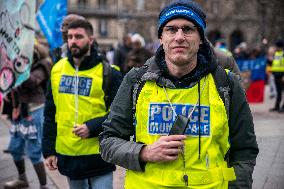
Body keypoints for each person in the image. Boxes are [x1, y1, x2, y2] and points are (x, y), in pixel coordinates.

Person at [99, 0, 259, 188]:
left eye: (188, 29)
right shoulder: (136, 80)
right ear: (161, 38)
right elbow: (107, 141)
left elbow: (245, 150)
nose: (179, 37)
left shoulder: (226, 84)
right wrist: (144, 152)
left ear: (201, 38)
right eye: (171, 29)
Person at [42, 19, 122, 189]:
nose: (73, 41)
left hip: (99, 154)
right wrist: (48, 150)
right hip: (69, 155)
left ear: (90, 40)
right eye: (70, 37)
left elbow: (120, 115)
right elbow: (50, 112)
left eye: (78, 36)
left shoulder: (109, 73)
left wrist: (92, 127)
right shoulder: (58, 69)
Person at [4, 42, 52, 189]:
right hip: (20, 110)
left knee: (33, 150)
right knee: (15, 147)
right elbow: (13, 83)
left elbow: (32, 81)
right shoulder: (21, 62)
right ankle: (22, 179)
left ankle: (44, 186)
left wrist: (18, 66)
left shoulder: (44, 63)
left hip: (35, 109)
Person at [269, 40, 284, 112]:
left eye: (276, 46)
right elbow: (273, 64)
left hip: (282, 75)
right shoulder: (275, 54)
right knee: (278, 92)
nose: (275, 47)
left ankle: (283, 107)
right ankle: (277, 106)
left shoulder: (283, 54)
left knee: (282, 92)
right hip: (276, 75)